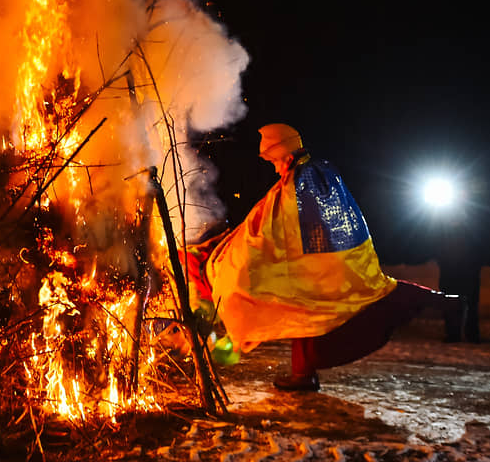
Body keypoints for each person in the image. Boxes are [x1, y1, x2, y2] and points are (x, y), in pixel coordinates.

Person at [186, 123, 457, 391]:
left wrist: (243, 254)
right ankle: (304, 375)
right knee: (327, 308)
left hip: (321, 265)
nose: (275, 168)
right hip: (332, 261)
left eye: (276, 162)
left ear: (288, 156)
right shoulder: (316, 172)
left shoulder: (302, 181)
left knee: (352, 304)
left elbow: (281, 228)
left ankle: (304, 375)